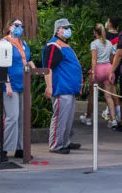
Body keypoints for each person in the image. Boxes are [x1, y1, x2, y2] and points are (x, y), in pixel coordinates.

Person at [43, 18, 83, 154]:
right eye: (64, 28)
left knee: (68, 118)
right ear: (57, 30)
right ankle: (56, 145)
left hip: (69, 88)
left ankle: (65, 141)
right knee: (60, 117)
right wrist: (49, 86)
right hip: (61, 87)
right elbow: (48, 67)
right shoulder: (54, 45)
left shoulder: (63, 45)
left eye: (68, 27)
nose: (67, 30)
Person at [1, 19, 35, 161]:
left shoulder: (23, 43)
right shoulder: (4, 43)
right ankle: (6, 149)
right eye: (16, 25)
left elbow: (28, 60)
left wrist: (34, 67)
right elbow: (2, 66)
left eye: (21, 25)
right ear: (9, 27)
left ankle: (20, 148)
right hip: (11, 85)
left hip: (24, 84)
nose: (19, 28)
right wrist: (7, 84)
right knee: (12, 117)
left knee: (23, 118)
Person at [84, 23, 118, 128]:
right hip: (108, 68)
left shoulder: (94, 43)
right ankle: (113, 120)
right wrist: (112, 70)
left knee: (92, 96)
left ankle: (89, 118)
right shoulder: (109, 43)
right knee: (108, 96)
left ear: (95, 32)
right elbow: (113, 57)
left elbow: (94, 59)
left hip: (98, 69)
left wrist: (93, 72)